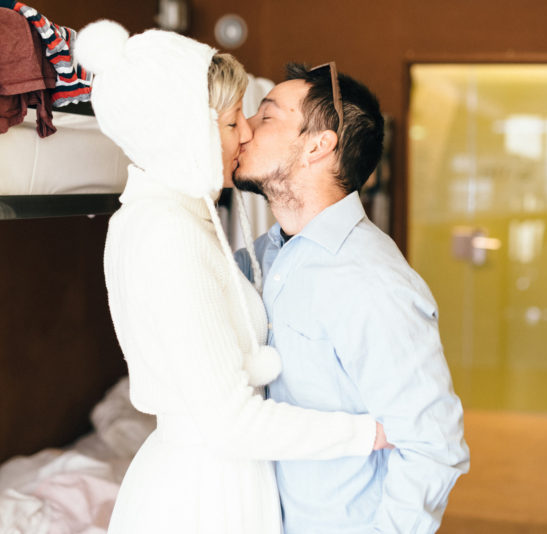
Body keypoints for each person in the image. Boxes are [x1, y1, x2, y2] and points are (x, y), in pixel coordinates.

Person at [74, 22, 390, 534]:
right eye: (230, 122)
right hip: (204, 493)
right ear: (184, 133)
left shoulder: (175, 219)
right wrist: (367, 433)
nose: (246, 133)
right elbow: (232, 423)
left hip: (214, 474)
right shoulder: (168, 233)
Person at [234, 62, 470, 533]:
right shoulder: (263, 257)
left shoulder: (371, 281)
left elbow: (433, 445)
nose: (244, 129)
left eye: (266, 115)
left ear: (318, 146)